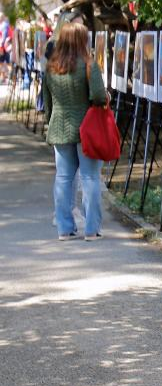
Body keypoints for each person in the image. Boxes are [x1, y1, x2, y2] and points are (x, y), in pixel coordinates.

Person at [42, 21, 107, 241]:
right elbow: (98, 96)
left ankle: (64, 229)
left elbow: (47, 102)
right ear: (82, 41)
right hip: (87, 129)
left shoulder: (51, 67)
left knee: (63, 178)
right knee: (90, 177)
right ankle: (91, 229)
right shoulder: (88, 65)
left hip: (59, 128)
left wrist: (51, 122)